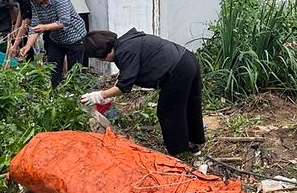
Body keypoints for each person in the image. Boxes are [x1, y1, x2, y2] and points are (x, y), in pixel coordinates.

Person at [80, 29, 205, 158]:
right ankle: (195, 143)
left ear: (101, 54)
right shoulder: (125, 43)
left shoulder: (124, 51)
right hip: (187, 60)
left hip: (178, 71)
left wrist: (99, 95)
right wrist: (108, 94)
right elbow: (126, 76)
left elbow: (123, 86)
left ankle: (177, 152)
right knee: (191, 104)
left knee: (168, 111)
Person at [19, 0, 86, 87]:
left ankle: (76, 94)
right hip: (56, 38)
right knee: (53, 68)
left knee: (75, 70)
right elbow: (35, 25)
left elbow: (64, 22)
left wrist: (44, 27)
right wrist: (27, 46)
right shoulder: (34, 2)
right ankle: (55, 93)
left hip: (74, 37)